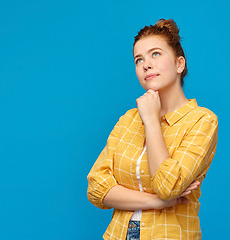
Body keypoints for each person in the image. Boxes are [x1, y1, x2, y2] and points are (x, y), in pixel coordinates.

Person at [87, 18, 219, 240]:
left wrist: (151, 120)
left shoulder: (202, 120)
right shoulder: (128, 120)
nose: (146, 64)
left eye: (156, 54)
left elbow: (168, 186)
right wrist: (157, 202)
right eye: (139, 59)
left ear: (180, 64)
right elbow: (97, 187)